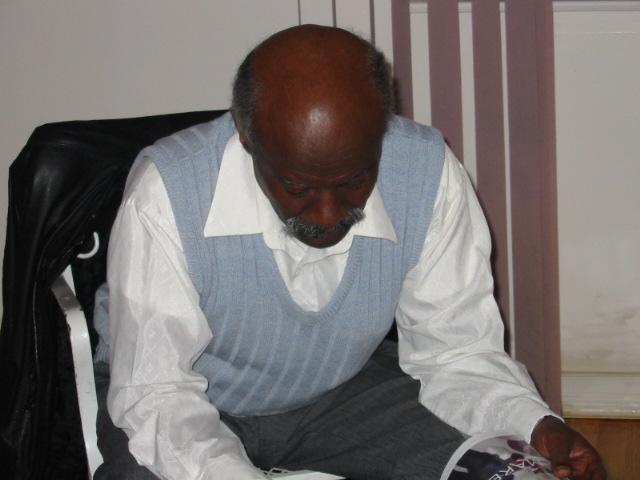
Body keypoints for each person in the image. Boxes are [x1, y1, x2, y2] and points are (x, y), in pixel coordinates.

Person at [93, 25, 606, 480]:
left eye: (355, 180)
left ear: (383, 130)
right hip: (184, 401)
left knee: (514, 472)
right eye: (296, 186)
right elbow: (156, 392)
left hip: (340, 392)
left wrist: (535, 424)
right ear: (245, 136)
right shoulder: (169, 191)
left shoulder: (426, 173)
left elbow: (456, 352)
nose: (326, 215)